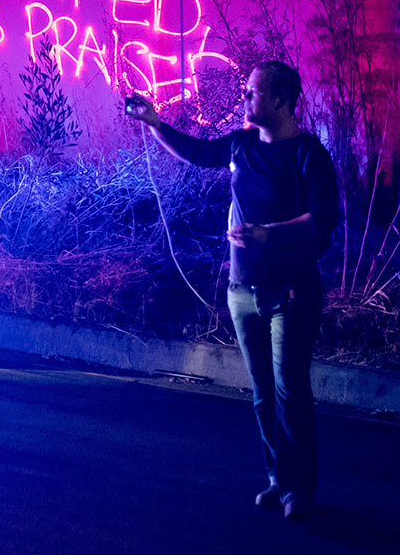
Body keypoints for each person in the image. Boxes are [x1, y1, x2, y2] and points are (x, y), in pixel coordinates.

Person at [126, 61, 338, 521]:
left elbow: (322, 224)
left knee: (290, 390)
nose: (245, 99)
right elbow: (198, 153)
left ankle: (299, 491)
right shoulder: (241, 144)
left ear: (280, 100)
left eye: (253, 92)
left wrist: (269, 235)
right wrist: (155, 122)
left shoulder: (309, 154)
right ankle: (277, 480)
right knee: (262, 390)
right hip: (241, 291)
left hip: (291, 294)